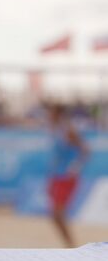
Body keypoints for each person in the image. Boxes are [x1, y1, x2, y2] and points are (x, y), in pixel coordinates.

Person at [47, 104, 89, 247]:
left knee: (57, 214)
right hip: (57, 176)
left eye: (51, 113)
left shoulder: (67, 130)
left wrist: (75, 167)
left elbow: (86, 149)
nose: (48, 117)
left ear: (58, 114)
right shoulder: (56, 130)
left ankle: (70, 245)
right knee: (55, 216)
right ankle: (69, 245)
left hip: (66, 176)